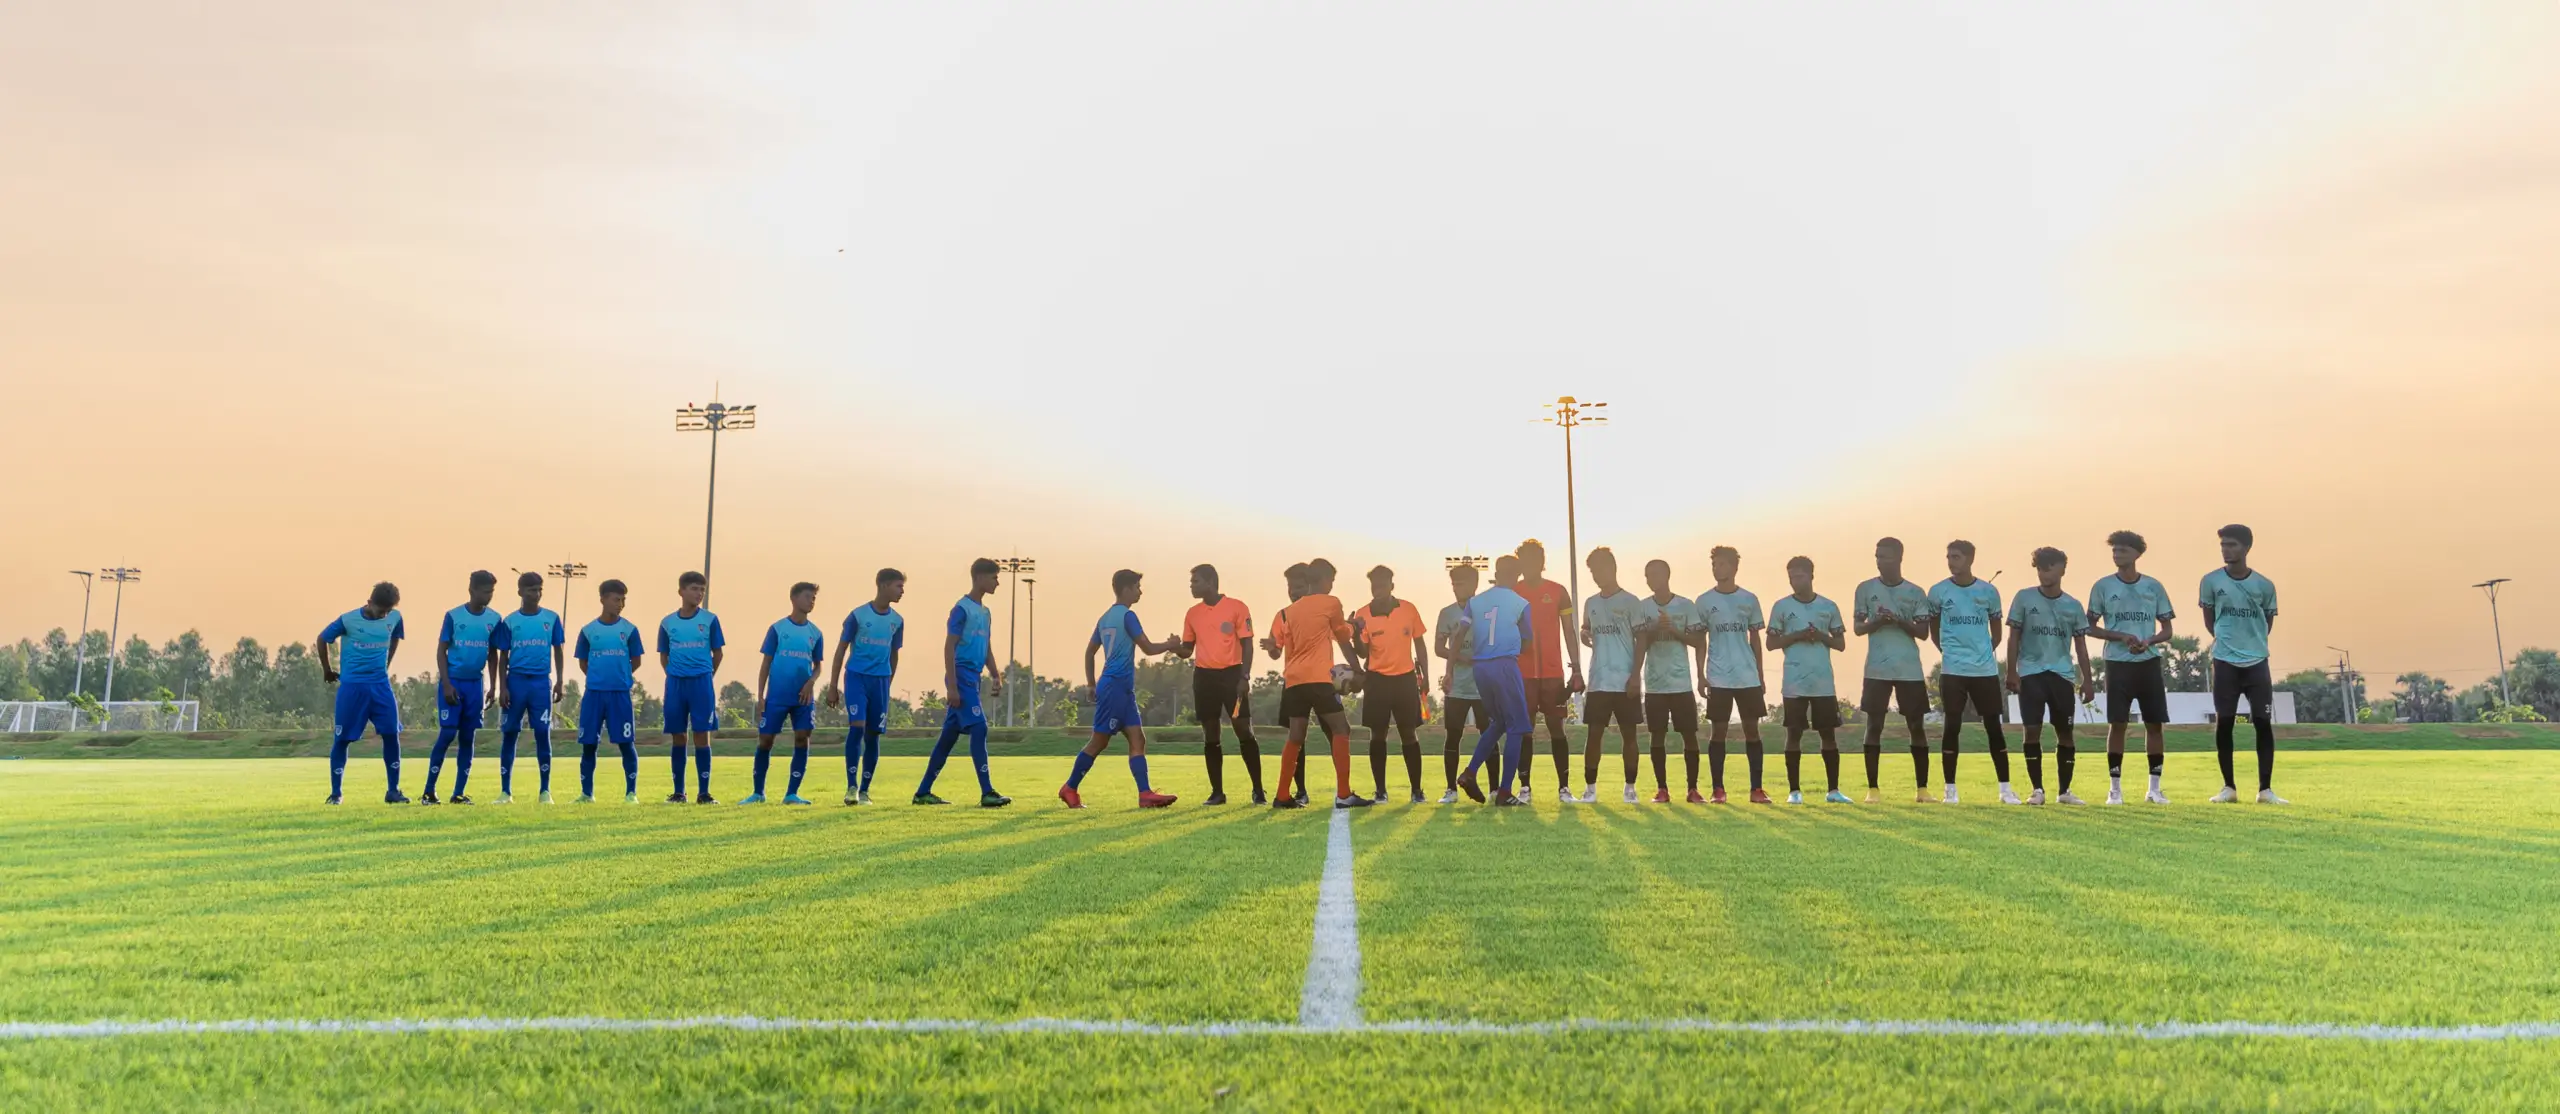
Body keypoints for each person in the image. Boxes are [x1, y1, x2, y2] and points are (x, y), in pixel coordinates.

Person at [1062, 570, 1186, 809]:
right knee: (1098, 742)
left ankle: (1145, 794)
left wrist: (1091, 683)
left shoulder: (1105, 617)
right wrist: (1171, 645)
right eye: (1138, 586)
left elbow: (1090, 652)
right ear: (1126, 588)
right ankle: (1070, 787)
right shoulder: (1128, 616)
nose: (1140, 591)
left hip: (1122, 689)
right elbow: (1148, 648)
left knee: (1138, 738)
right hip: (1115, 687)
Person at [1261, 560, 1371, 810]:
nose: (1332, 585)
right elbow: (1343, 639)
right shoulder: (1331, 603)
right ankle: (1344, 794)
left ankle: (1281, 795)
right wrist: (1357, 670)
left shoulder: (1290, 611)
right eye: (1331, 580)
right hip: (1320, 679)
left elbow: (1285, 645)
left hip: (1293, 680)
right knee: (1341, 729)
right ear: (1323, 580)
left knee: (1296, 736)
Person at [2085, 530, 2177, 804]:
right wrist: (2121, 636)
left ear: (2137, 554)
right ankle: (2114, 789)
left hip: (2148, 662)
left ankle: (2154, 788)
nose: (2117, 555)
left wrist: (2148, 640)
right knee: (2118, 724)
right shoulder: (2102, 586)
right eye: (2114, 550)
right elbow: (2089, 627)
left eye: (2122, 550)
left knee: (2155, 725)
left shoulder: (2153, 587)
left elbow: (2168, 629)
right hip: (2117, 664)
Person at [915, 558, 1011, 807]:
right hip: (961, 675)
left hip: (974, 676)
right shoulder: (961, 609)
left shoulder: (985, 612)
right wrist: (952, 686)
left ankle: (923, 792)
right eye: (994, 578)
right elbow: (949, 646)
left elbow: (986, 646)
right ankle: (987, 792)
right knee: (979, 728)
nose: (997, 583)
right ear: (979, 577)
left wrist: (995, 673)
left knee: (948, 738)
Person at [2200, 524, 2285, 804]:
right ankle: (2229, 788)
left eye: (2232, 544)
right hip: (2224, 660)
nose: (2226, 549)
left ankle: (2266, 790)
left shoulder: (2264, 585)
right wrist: (2227, 641)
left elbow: (2267, 622)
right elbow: (2210, 620)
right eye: (2223, 544)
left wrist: (2251, 643)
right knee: (2224, 722)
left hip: (2257, 661)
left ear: (2247, 548)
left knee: (2262, 721)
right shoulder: (2211, 581)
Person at [2004, 549, 2093, 806]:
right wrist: (2012, 670)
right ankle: (2037, 790)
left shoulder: (2073, 605)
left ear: (2063, 569)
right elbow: (2014, 637)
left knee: (2065, 732)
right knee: (2031, 731)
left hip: (2062, 675)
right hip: (2031, 674)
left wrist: (2087, 680)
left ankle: (2064, 791)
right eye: (2040, 568)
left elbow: (2081, 646)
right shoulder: (2024, 598)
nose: (2044, 573)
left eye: (2050, 567)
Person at [1928, 541, 2012, 804]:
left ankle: (2005, 790)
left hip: (1984, 670)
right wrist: (1951, 652)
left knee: (1993, 728)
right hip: (1953, 670)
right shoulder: (1938, 591)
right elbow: (1934, 630)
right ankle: (1950, 790)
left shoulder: (1988, 591)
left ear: (1970, 559)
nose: (1951, 561)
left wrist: (1982, 652)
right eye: (1948, 557)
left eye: (1956, 557)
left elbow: (1996, 632)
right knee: (1952, 726)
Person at [1853, 537, 1934, 803]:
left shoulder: (1915, 592)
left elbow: (1923, 632)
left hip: (1908, 668)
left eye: (1885, 556)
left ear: (1899, 558)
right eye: (1877, 556)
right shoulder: (1865, 589)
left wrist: (1899, 620)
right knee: (1874, 724)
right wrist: (1877, 621)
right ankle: (1872, 789)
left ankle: (1922, 790)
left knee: (1916, 726)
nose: (1879, 561)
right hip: (1877, 668)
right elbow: (1857, 628)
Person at [1454, 555, 1537, 806]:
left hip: (1481, 668)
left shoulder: (1475, 601)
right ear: (1517, 575)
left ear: (1496, 573)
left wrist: (1450, 667)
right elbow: (1528, 640)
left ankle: (1470, 772)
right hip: (1504, 666)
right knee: (1517, 727)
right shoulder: (1521, 603)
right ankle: (1505, 790)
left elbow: (1459, 634)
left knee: (1499, 722)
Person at [1766, 557, 1850, 804]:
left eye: (1799, 576)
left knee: (1828, 734)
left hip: (1822, 681)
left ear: (1811, 576)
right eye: (1791, 577)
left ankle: (1833, 791)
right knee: (1794, 733)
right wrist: (1797, 635)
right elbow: (1771, 643)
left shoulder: (1828, 606)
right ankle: (1794, 791)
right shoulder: (1781, 607)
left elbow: (1841, 644)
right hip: (1794, 681)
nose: (1795, 581)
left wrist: (1821, 636)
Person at [1178, 564, 1263, 805]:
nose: (1191, 586)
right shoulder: (1192, 613)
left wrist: (1244, 677)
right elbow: (1187, 649)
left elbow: (1247, 644)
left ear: (1209, 582)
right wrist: (1174, 647)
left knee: (1243, 730)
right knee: (1211, 733)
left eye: (1195, 581)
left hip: (1232, 675)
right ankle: (1217, 793)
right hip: (1204, 677)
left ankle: (1258, 790)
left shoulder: (1237, 607)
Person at [317, 582, 407, 805]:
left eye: (387, 611)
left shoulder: (395, 618)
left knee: (391, 734)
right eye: (380, 611)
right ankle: (336, 794)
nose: (383, 615)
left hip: (380, 686)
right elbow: (322, 639)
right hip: (352, 687)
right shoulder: (348, 620)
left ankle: (393, 791)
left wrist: (387, 662)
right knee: (342, 739)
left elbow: (396, 636)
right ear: (369, 603)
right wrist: (327, 670)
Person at [1695, 546, 1770, 804]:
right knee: (1718, 732)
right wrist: (1701, 675)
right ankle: (1718, 790)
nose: (1717, 569)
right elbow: (1700, 640)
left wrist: (1760, 674)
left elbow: (1755, 638)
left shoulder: (1749, 599)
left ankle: (1756, 790)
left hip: (1746, 676)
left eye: (1722, 564)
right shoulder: (1703, 601)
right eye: (1714, 564)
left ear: (1734, 567)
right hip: (1719, 676)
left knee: (1752, 730)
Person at [824, 568, 905, 806]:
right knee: (857, 728)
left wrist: (888, 683)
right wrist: (833, 685)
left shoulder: (897, 621)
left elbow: (894, 655)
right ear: (883, 585)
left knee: (873, 735)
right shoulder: (857, 616)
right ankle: (851, 787)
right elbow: (840, 650)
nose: (902, 591)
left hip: (880, 681)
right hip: (857, 677)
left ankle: (865, 791)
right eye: (898, 586)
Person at [1353, 565, 1431, 803]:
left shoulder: (1408, 609)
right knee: (1378, 734)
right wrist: (1356, 633)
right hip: (1377, 680)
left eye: (1382, 585)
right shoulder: (1362, 615)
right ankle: (1380, 791)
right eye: (1374, 586)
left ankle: (1416, 790)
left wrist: (1425, 676)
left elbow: (1419, 644)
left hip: (1405, 679)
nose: (1378, 589)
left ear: (1391, 586)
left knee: (1409, 733)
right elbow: (1361, 651)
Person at [422, 571, 502, 805]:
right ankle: (429, 791)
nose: (489, 596)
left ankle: (458, 793)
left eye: (492, 592)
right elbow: (441, 650)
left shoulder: (494, 619)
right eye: (485, 591)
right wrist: (446, 683)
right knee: (447, 734)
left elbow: (493, 654)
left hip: (475, 684)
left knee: (468, 737)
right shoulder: (454, 616)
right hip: (454, 681)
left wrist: (493, 687)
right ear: (472, 590)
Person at [1513, 539, 1582, 801]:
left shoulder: (1557, 591)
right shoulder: (1513, 592)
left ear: (1542, 562)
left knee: (1557, 728)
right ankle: (1525, 788)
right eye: (1525, 561)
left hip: (1553, 674)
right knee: (1524, 729)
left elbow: (1569, 631)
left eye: (1535, 560)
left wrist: (1576, 669)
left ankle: (1564, 788)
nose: (1530, 565)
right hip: (1522, 674)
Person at [745, 582, 825, 805]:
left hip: (803, 698)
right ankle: (758, 793)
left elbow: (818, 665)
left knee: (802, 738)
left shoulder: (815, 633)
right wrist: (761, 697)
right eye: (808, 596)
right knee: (766, 740)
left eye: (814, 598)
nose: (812, 601)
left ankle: (792, 793)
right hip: (777, 696)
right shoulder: (778, 629)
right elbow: (766, 664)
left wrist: (811, 681)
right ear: (794, 599)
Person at [1578, 548, 1646, 803]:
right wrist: (1585, 635)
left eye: (1600, 569)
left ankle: (1630, 788)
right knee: (1594, 734)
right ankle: (1590, 789)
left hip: (1624, 680)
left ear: (1613, 567)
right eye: (1592, 571)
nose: (1596, 576)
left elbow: (1642, 639)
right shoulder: (1591, 603)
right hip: (1598, 681)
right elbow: (1586, 629)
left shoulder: (1631, 602)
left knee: (1629, 735)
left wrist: (1635, 675)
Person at [1632, 558, 1703, 803]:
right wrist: (1653, 629)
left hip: (1681, 682)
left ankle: (1692, 789)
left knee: (1689, 735)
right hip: (1655, 683)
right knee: (1657, 735)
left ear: (1667, 575)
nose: (1650, 579)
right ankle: (1662, 789)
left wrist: (1673, 629)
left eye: (1654, 574)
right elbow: (1640, 644)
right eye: (1647, 575)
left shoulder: (1686, 605)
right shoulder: (1642, 607)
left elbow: (1698, 641)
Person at [573, 579, 646, 803]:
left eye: (623, 600)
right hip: (594, 694)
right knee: (589, 744)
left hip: (619, 694)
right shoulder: (588, 631)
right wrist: (599, 678)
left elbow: (636, 661)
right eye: (616, 599)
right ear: (603, 599)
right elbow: (583, 662)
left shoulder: (630, 630)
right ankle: (587, 794)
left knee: (626, 743)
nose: (620, 604)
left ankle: (631, 793)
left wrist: (620, 677)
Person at [496, 572, 566, 805]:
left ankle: (545, 791)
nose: (536, 594)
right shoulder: (510, 621)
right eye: (531, 590)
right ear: (520, 592)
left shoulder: (552, 618)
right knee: (510, 734)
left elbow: (558, 650)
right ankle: (505, 792)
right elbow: (503, 657)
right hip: (516, 682)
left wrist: (559, 680)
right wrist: (502, 687)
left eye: (539, 590)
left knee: (542, 733)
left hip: (539, 683)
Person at [656, 572, 725, 803]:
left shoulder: (710, 620)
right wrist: (675, 674)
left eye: (702, 590)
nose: (699, 594)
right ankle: (679, 792)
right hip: (676, 684)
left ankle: (704, 793)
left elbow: (718, 653)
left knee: (702, 737)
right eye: (694, 589)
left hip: (701, 684)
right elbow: (664, 656)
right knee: (678, 737)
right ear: (681, 591)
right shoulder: (667, 623)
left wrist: (705, 674)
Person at [1434, 563, 1484, 804]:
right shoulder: (1447, 613)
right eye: (1453, 584)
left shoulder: (1486, 611)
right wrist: (1460, 659)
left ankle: (1494, 788)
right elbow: (1438, 648)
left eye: (1461, 583)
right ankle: (1450, 790)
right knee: (1453, 736)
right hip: (1457, 685)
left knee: (1489, 735)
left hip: (1484, 685)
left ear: (1474, 585)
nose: (1456, 588)